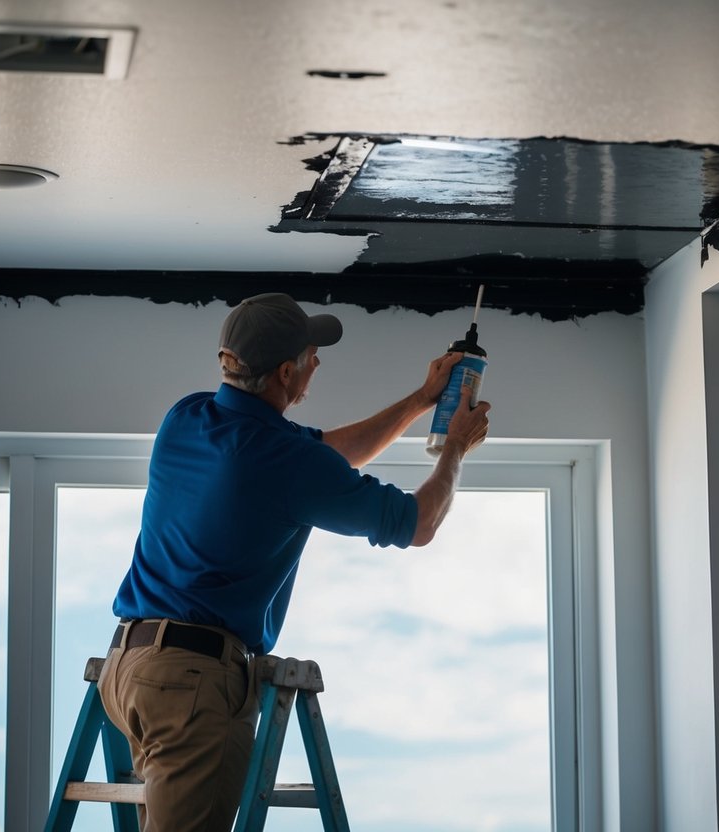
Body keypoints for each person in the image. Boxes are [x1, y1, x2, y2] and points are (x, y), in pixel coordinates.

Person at [97, 292, 491, 831]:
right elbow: (419, 523)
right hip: (191, 685)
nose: (317, 362)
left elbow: (329, 454)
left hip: (128, 670)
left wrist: (421, 400)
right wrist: (455, 449)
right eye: (310, 354)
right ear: (287, 372)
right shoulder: (286, 462)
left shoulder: (186, 417)